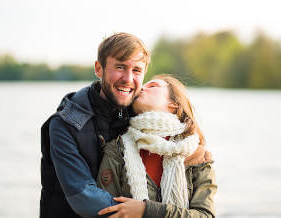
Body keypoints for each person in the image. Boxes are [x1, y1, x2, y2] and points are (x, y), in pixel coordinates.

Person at [40, 32, 150, 218]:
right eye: (120, 67)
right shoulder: (64, 124)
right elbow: (84, 197)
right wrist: (145, 213)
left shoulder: (144, 116)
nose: (128, 78)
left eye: (136, 70)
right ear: (99, 69)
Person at [97, 75, 217, 218]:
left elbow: (205, 215)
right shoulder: (117, 149)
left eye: (152, 86)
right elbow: (105, 212)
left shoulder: (197, 156)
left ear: (174, 103)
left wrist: (146, 210)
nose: (141, 88)